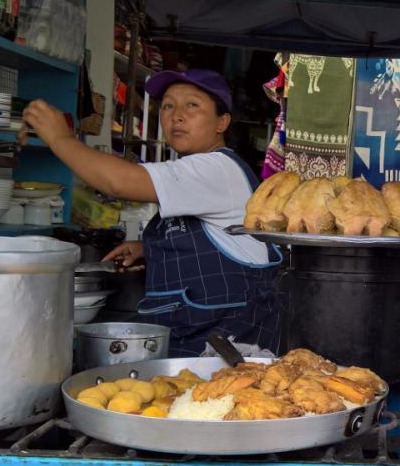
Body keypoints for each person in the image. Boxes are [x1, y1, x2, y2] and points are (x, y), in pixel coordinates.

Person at [24, 69, 282, 356]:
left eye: (192, 105)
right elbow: (217, 238)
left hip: (226, 348)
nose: (177, 115)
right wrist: (150, 249)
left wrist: (61, 140)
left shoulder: (217, 168)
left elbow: (118, 183)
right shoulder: (198, 169)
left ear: (222, 121)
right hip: (193, 339)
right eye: (168, 105)